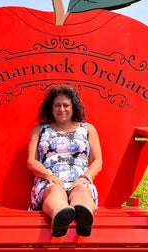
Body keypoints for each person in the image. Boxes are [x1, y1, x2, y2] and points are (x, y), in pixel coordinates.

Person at [27, 85, 102, 237]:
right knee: (55, 191)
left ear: (73, 107)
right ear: (51, 108)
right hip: (50, 181)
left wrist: (85, 178)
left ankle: (84, 217)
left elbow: (97, 161)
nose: (62, 109)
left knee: (81, 191)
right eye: (57, 105)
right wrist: (48, 175)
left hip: (80, 181)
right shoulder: (39, 129)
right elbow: (31, 161)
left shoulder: (88, 129)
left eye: (66, 105)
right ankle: (60, 215)